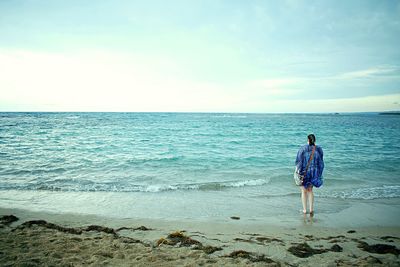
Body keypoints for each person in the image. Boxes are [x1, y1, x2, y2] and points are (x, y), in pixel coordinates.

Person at [295, 134, 324, 216]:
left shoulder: (303, 148)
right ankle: (311, 209)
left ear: (308, 139)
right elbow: (321, 163)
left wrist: (298, 172)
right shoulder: (319, 149)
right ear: (314, 140)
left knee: (303, 191)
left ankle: (304, 210)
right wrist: (319, 173)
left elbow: (298, 161)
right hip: (314, 172)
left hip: (304, 172)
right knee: (310, 191)